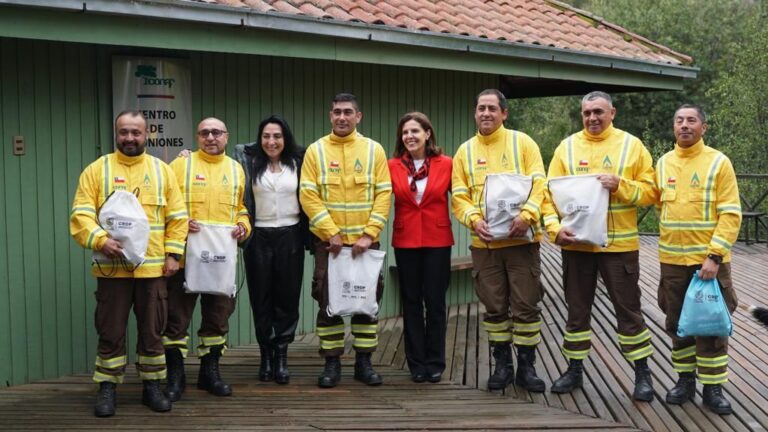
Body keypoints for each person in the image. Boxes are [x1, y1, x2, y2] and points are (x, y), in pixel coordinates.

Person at [70, 111, 188, 417]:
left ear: (147, 134)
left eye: (136, 132)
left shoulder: (162, 171)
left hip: (153, 271)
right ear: (116, 133)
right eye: (124, 132)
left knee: (153, 332)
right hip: (112, 270)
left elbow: (177, 217)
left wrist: (174, 255)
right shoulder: (97, 170)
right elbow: (80, 214)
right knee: (110, 331)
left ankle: (152, 386)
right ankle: (107, 388)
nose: (130, 138)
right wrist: (99, 240)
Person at [543, 91, 657, 401]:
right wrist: (554, 230)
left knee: (629, 311)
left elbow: (650, 192)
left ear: (612, 113)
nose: (593, 118)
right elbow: (547, 194)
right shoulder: (566, 147)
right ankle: (575, 369)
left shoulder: (631, 145)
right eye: (587, 113)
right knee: (576, 312)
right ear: (581, 115)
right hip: (577, 246)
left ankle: (642, 373)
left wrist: (621, 185)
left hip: (618, 247)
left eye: (599, 112)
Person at [451, 89, 548, 392]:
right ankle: (502, 365)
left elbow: (539, 183)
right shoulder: (465, 151)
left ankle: (527, 367)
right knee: (494, 308)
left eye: (492, 108)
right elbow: (459, 195)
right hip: (486, 246)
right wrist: (473, 220)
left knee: (526, 306)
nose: (486, 114)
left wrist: (528, 215)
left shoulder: (523, 143)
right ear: (475, 113)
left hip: (522, 243)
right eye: (481, 108)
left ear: (504, 113)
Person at [299, 93, 392, 388]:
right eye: (337, 112)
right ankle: (332, 363)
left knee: (367, 304)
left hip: (366, 246)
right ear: (330, 116)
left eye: (348, 112)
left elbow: (383, 193)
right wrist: (331, 232)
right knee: (329, 305)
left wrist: (369, 234)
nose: (342, 117)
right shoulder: (316, 151)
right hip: (330, 247)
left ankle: (364, 364)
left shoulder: (373, 150)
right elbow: (308, 195)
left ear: (358, 116)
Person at [655, 104, 741, 414]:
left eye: (692, 120)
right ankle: (684, 380)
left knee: (712, 325)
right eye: (679, 120)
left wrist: (714, 256)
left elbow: (731, 213)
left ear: (703, 127)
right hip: (672, 262)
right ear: (674, 127)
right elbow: (659, 207)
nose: (685, 125)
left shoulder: (718, 163)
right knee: (677, 323)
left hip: (709, 264)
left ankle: (713, 388)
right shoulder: (663, 163)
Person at [162, 117, 251, 402]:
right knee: (176, 320)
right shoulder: (180, 165)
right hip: (184, 260)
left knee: (217, 320)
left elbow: (241, 209)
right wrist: (179, 222)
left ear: (226, 137)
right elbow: (165, 208)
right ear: (197, 137)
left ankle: (209, 373)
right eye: (204, 133)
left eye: (216, 132)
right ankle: (176, 376)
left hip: (220, 263)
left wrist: (243, 227)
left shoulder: (236, 170)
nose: (210, 137)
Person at [234, 115, 309, 384]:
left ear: (285, 138)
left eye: (277, 136)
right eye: (266, 136)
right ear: (259, 139)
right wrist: (186, 156)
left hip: (291, 236)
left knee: (287, 298)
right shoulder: (247, 161)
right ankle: (265, 355)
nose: (271, 141)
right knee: (261, 298)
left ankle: (281, 355)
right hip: (259, 237)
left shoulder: (299, 161)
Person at [388, 112, 454, 383]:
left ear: (428, 134)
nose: (409, 136)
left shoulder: (446, 163)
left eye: (415, 131)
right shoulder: (392, 165)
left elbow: (461, 197)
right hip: (406, 241)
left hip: (438, 241)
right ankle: (416, 362)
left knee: (435, 302)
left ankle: (436, 361)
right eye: (405, 132)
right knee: (411, 302)